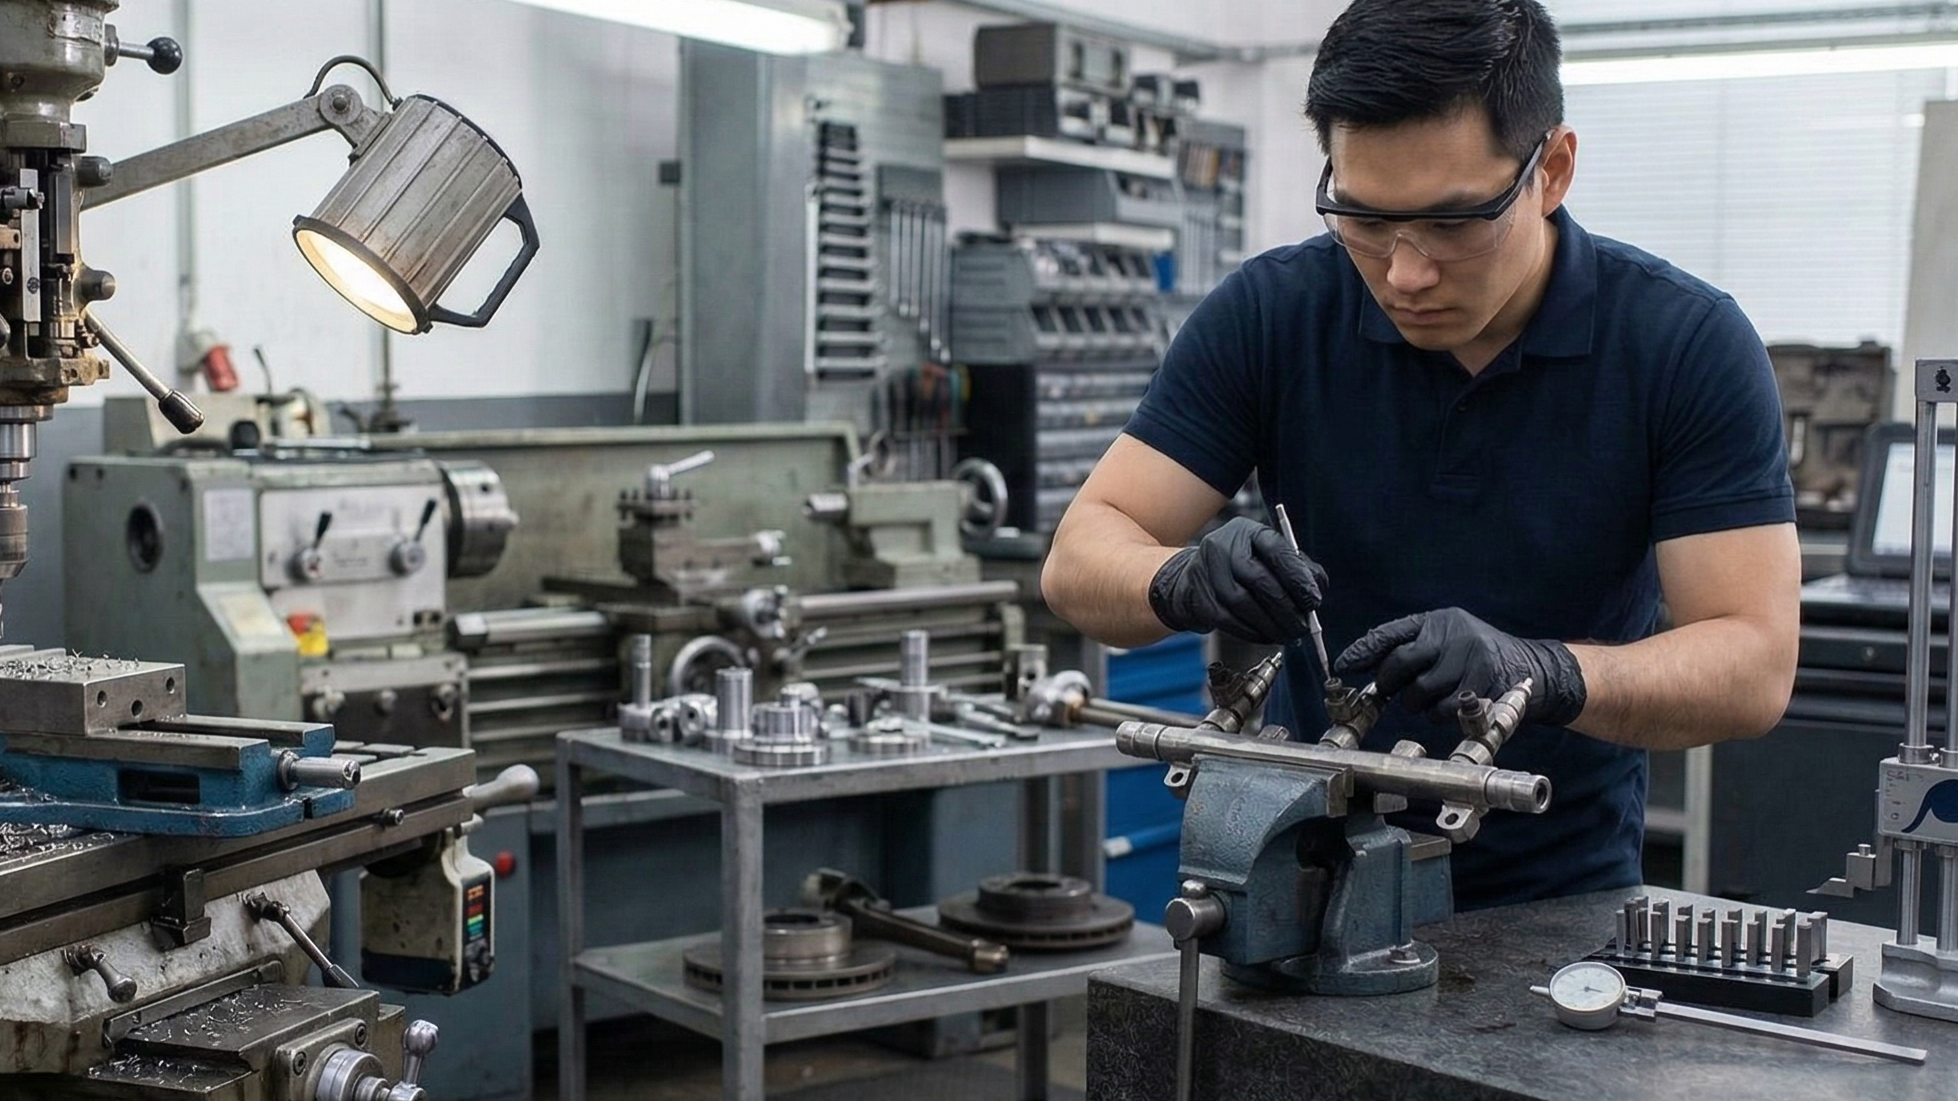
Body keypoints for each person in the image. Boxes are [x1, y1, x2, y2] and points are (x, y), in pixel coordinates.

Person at [1040, 0, 1800, 910]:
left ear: (1551, 170)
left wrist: (1545, 671)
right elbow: (1080, 554)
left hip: (1556, 900)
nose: (1404, 272)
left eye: (1451, 224)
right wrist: (1177, 580)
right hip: (1299, 879)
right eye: (1362, 218)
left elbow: (1753, 663)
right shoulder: (1273, 315)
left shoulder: (1682, 344)